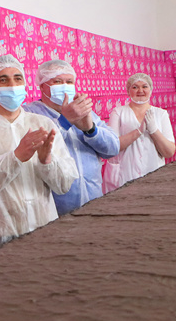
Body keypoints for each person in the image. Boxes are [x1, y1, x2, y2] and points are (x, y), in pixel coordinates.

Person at [0, 55, 78, 257]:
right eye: (3, 80)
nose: (12, 85)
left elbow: (64, 184)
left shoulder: (42, 124)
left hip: (43, 228)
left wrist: (46, 162)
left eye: (18, 78)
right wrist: (15, 157)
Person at [22, 59, 119, 214]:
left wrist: (90, 129)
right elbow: (32, 152)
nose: (64, 86)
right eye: (57, 81)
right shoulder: (29, 114)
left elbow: (113, 148)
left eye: (69, 82)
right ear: (41, 85)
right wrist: (64, 122)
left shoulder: (85, 112)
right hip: (55, 209)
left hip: (94, 202)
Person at [102, 73, 176, 193]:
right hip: (124, 176)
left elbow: (169, 152)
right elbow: (112, 146)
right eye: (135, 87)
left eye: (144, 86)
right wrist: (138, 131)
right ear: (128, 90)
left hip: (153, 175)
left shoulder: (161, 114)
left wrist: (154, 130)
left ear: (150, 89)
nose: (140, 90)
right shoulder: (118, 112)